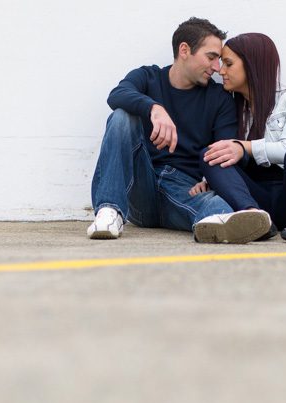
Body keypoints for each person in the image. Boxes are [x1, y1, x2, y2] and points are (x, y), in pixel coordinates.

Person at [87, 17, 272, 244]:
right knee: (121, 117)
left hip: (185, 188)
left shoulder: (219, 99)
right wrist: (153, 108)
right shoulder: (148, 77)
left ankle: (216, 225)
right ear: (185, 50)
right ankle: (109, 212)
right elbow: (116, 95)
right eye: (211, 57)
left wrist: (210, 180)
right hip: (140, 184)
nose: (217, 68)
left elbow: (224, 148)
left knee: (217, 206)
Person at [192, 33, 286, 242]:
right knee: (209, 154)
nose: (221, 71)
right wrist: (208, 179)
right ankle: (253, 218)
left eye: (228, 64)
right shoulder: (230, 106)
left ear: (251, 65)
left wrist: (243, 147)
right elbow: (223, 150)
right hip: (257, 198)